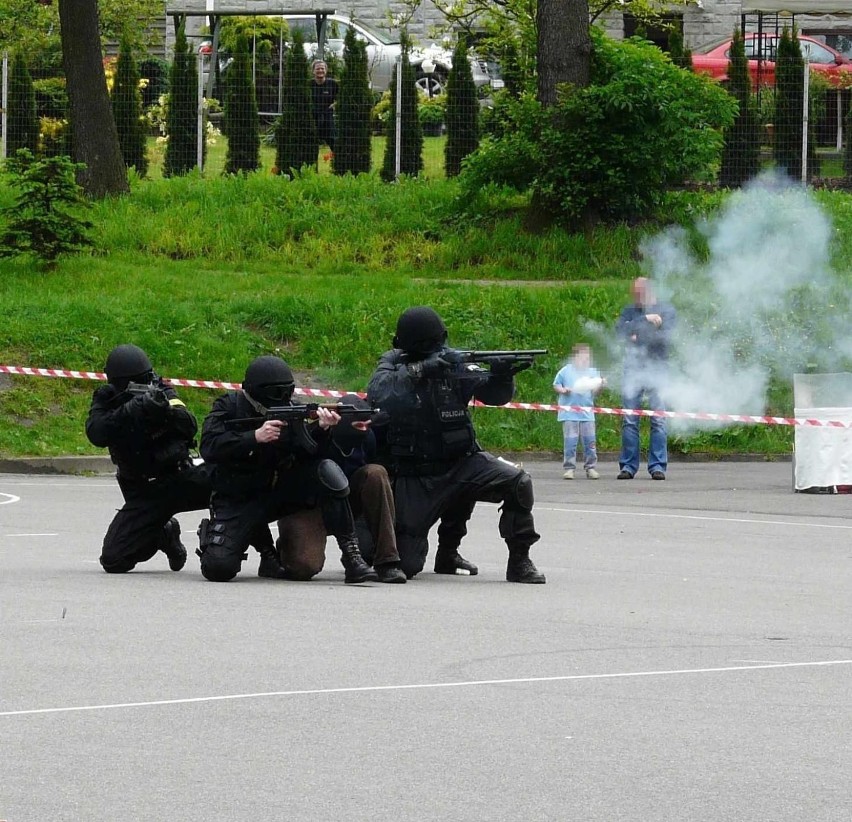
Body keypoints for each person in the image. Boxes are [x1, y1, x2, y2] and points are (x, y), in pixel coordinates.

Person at [367, 306, 546, 584]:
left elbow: (493, 395)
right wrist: (421, 370)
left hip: (462, 462)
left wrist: (502, 376)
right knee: (406, 563)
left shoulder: (455, 361)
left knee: (517, 482)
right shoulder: (392, 362)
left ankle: (516, 560)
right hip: (417, 474)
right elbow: (378, 392)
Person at [197, 355, 378, 583]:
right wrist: (253, 437)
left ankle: (352, 556)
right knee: (218, 568)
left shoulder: (290, 409)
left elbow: (306, 451)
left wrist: (321, 429)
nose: (283, 398)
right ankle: (265, 552)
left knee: (326, 471)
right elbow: (209, 446)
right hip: (241, 495)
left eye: (287, 391)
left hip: (281, 490)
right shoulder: (229, 406)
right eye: (276, 393)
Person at [85, 344, 211, 574]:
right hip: (145, 491)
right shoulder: (107, 398)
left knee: (229, 485)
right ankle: (164, 534)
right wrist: (131, 410)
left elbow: (189, 425)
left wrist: (165, 412)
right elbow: (97, 433)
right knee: (114, 560)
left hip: (180, 477)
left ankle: (224, 545)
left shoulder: (161, 391)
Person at [275, 394, 407, 584]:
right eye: (358, 425)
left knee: (376, 473)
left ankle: (387, 561)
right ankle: (286, 546)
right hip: (309, 506)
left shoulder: (367, 439)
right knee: (303, 566)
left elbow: (370, 479)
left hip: (346, 504)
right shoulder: (314, 434)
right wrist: (321, 429)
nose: (364, 429)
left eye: (366, 425)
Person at [616, 276, 676, 481]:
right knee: (629, 420)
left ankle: (657, 466)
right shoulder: (629, 311)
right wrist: (646, 321)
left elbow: (666, 338)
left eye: (640, 293)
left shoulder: (667, 311)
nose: (637, 297)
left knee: (658, 420)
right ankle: (628, 467)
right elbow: (620, 331)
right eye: (635, 293)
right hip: (632, 370)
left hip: (658, 370)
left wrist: (637, 334)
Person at [553, 343, 605, 480]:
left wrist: (601, 385)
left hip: (587, 414)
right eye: (583, 358)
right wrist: (563, 390)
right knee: (570, 441)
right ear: (575, 358)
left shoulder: (593, 372)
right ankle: (569, 468)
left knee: (590, 442)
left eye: (588, 358)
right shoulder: (565, 371)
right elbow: (556, 384)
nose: (585, 361)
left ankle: (591, 468)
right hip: (569, 413)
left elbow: (595, 391)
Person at [311, 60, 338, 151]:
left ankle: (338, 160)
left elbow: (341, 97)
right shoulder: (309, 84)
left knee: (333, 140)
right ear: (313, 71)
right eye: (317, 68)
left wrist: (334, 104)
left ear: (326, 70)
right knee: (311, 143)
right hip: (313, 117)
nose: (320, 70)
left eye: (322, 68)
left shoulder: (332, 84)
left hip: (327, 116)